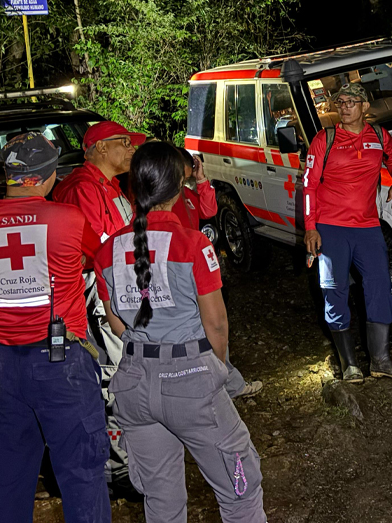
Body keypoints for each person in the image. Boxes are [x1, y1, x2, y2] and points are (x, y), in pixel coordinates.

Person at [96, 142, 266, 522]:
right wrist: (216, 370)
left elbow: (117, 323)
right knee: (241, 492)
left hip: (134, 386)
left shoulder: (107, 251)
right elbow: (217, 324)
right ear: (176, 187)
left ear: (133, 188)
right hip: (190, 380)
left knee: (161, 500)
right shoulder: (192, 244)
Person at [0, 132, 108, 522]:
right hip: (62, 363)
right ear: (48, 175)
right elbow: (103, 259)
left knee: (6, 480)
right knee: (82, 475)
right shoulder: (68, 219)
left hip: (1, 367)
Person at [54, 120, 147, 484]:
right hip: (98, 290)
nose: (131, 150)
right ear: (101, 148)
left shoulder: (109, 187)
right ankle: (117, 465)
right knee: (114, 371)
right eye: (125, 143)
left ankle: (129, 454)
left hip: (115, 285)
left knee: (124, 367)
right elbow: (96, 248)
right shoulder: (82, 187)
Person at [302, 83, 392, 383]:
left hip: (367, 226)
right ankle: (349, 364)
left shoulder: (378, 135)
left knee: (379, 286)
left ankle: (381, 360)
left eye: (353, 101)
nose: (346, 106)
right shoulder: (325, 138)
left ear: (366, 107)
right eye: (341, 101)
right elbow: (309, 186)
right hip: (331, 227)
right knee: (334, 290)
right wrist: (311, 227)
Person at [174, 148, 263, 399]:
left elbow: (209, 210)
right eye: (189, 164)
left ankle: (226, 380)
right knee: (205, 327)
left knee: (211, 324)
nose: (193, 167)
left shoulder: (186, 194)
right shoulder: (161, 199)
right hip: (180, 272)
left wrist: (202, 180)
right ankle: (223, 383)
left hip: (196, 268)